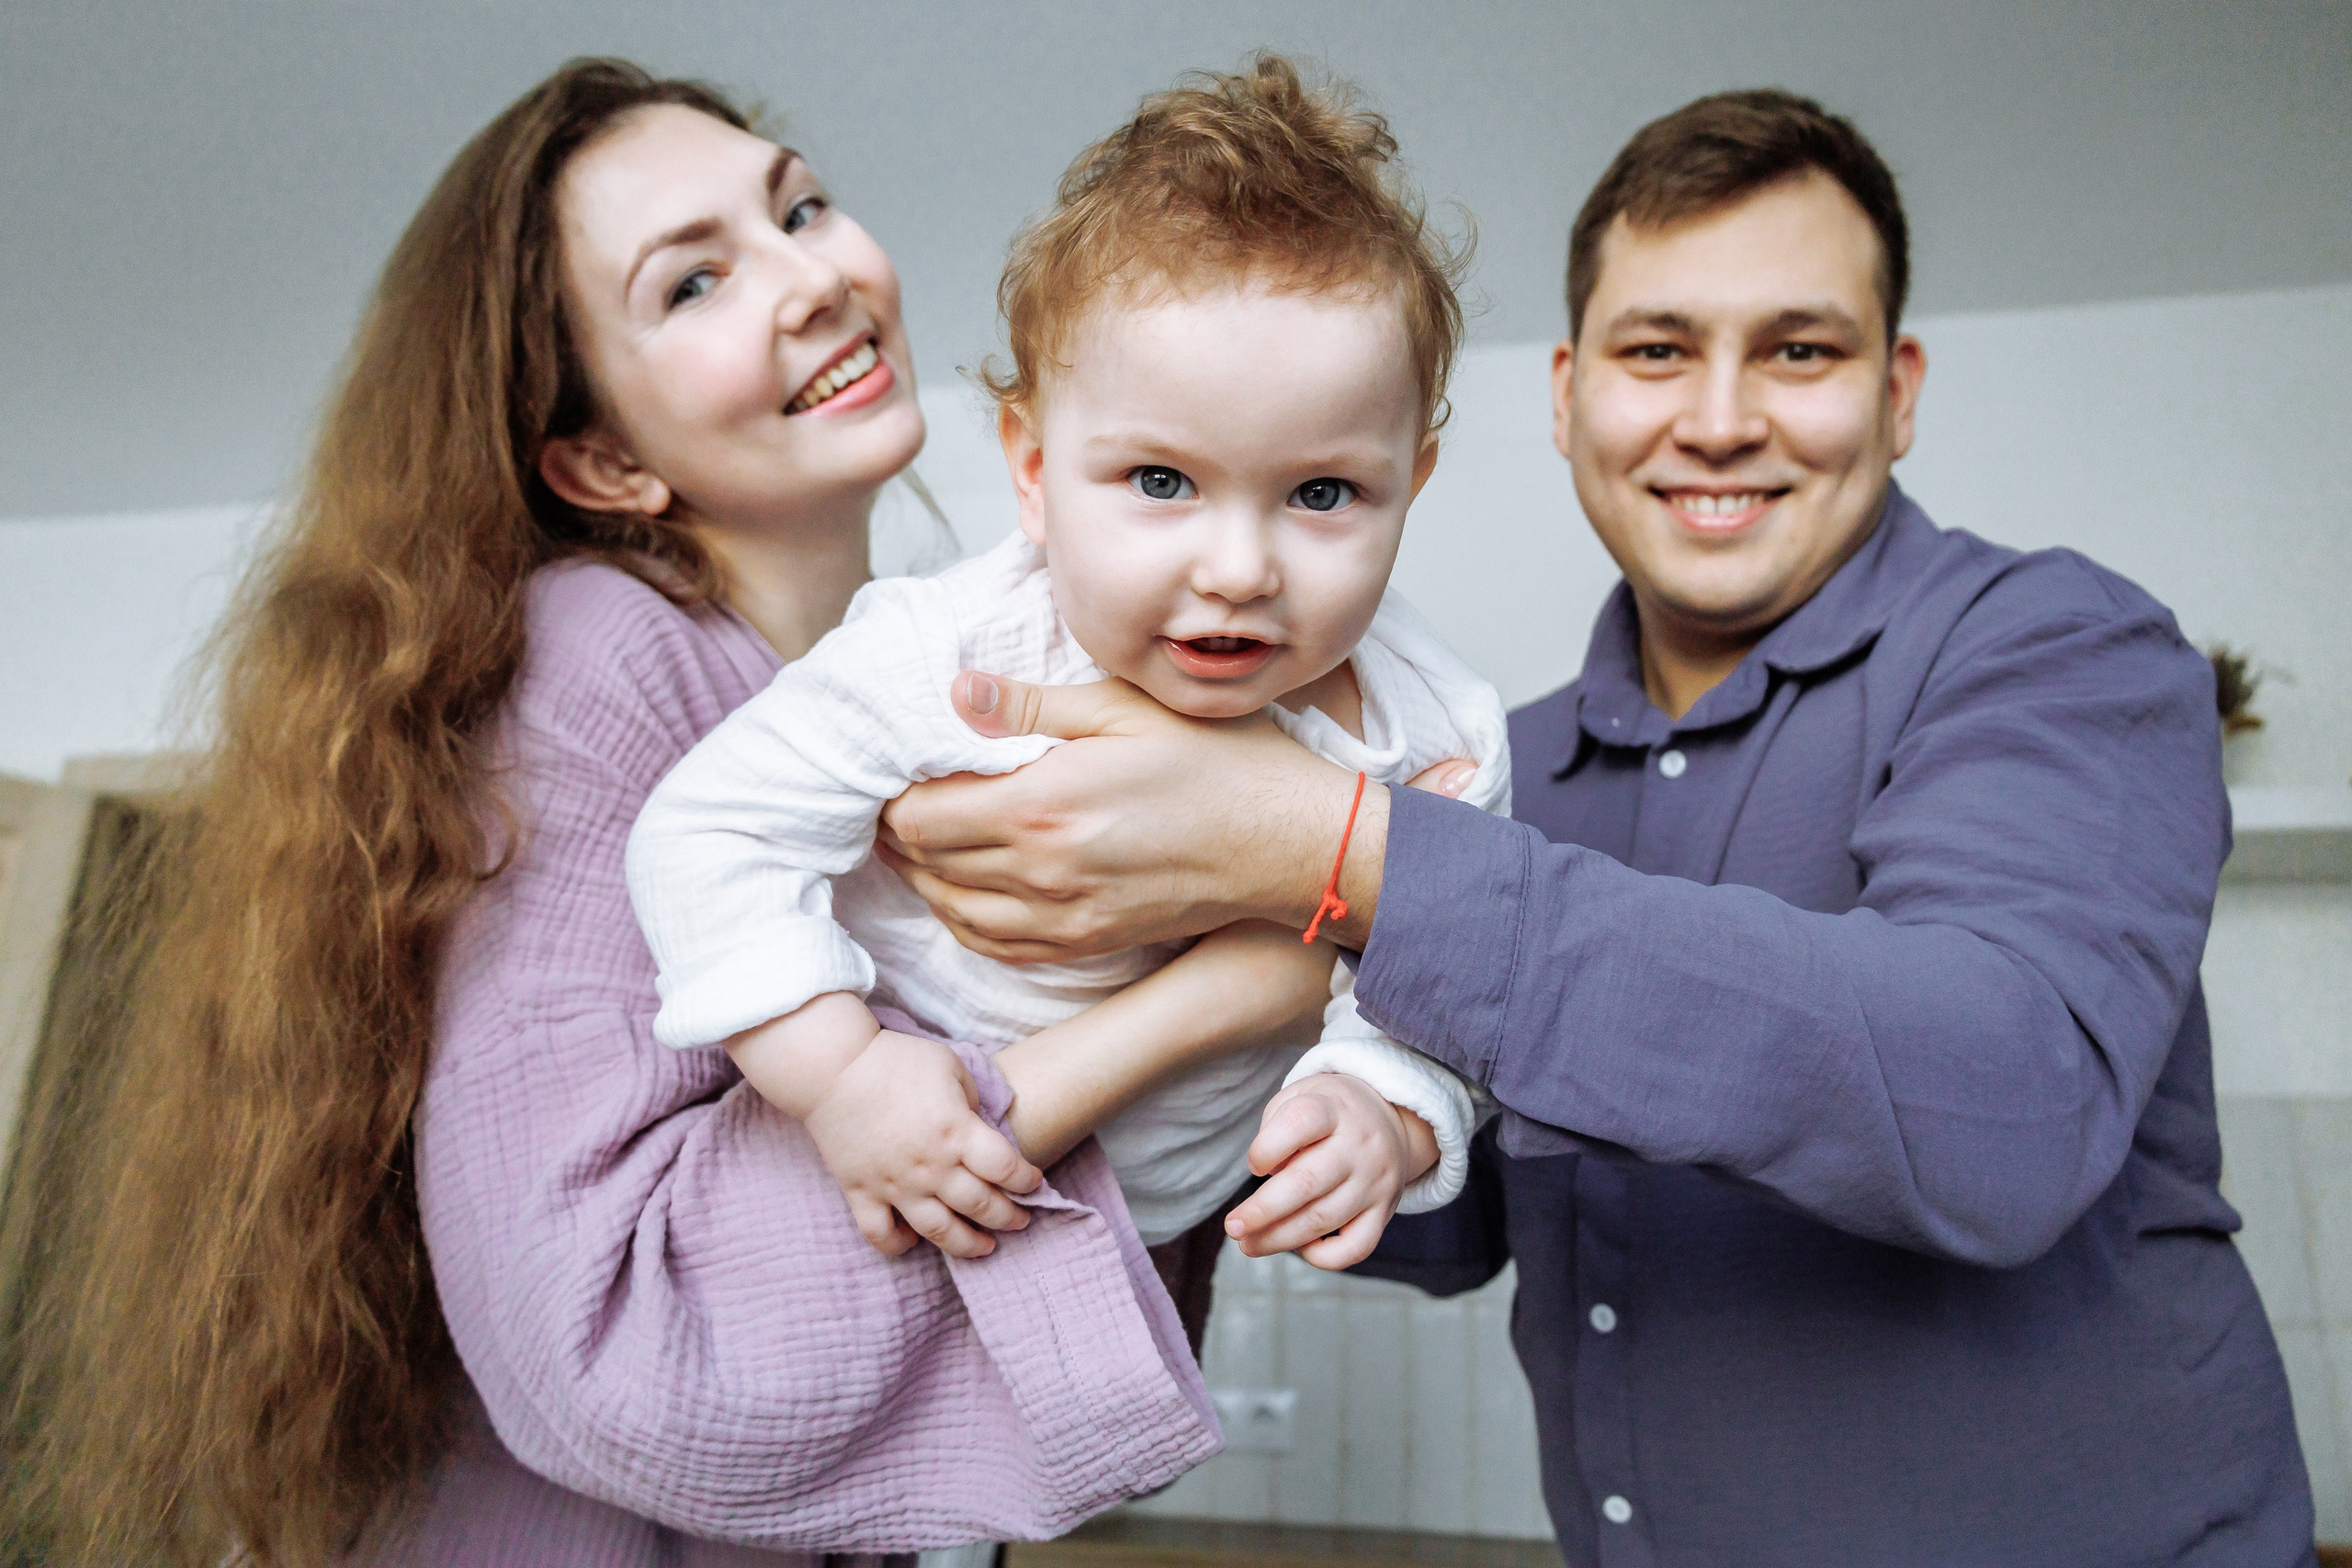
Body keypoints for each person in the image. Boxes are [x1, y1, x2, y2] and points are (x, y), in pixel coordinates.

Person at [876, 90, 2317, 1563]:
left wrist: (1328, 860)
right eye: (1657, 350)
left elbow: (1999, 1103)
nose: (1719, 417)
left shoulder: (2062, 650)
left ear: (1899, 389)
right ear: (1565, 395)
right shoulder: (1500, 766)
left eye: (1801, 350)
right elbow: (1444, 1215)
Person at [3, 59, 1339, 1567]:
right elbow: (618, 1348)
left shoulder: (928, 686)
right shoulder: (604, 655)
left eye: (801, 208)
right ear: (607, 460)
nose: (811, 279)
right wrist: (1223, 998)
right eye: (694, 282)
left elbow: (1088, 1337)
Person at [624, 55, 1498, 1302]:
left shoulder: (1438, 730)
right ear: (1031, 470)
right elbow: (703, 836)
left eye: (1321, 494)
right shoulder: (948, 650)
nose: (1239, 569)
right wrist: (842, 1077)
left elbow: (1446, 996)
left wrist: (1387, 1109)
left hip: (1157, 1246)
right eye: (1160, 483)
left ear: (1409, 478)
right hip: (898, 1165)